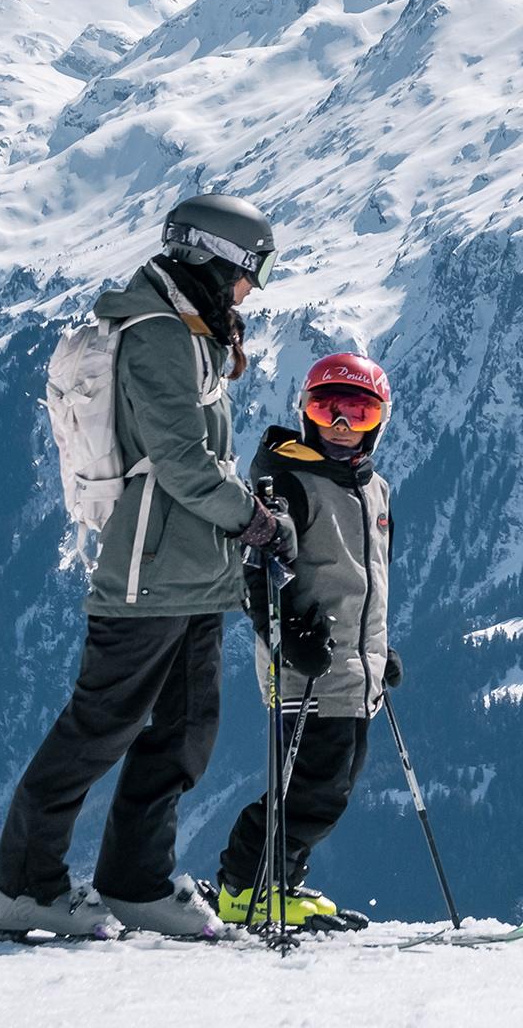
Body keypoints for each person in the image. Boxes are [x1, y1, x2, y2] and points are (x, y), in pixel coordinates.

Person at [0, 192, 292, 938]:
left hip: (192, 570)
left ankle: (134, 880)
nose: (252, 289)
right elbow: (182, 462)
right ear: (214, 261)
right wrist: (253, 518)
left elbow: (195, 459)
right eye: (250, 272)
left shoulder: (189, 330)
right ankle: (27, 883)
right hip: (148, 570)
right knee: (101, 724)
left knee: (185, 732)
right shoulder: (157, 334)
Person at [215, 351, 400, 931]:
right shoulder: (288, 482)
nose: (342, 425)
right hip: (306, 666)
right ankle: (245, 889)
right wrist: (290, 635)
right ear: (306, 413)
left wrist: (378, 651)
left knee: (332, 786)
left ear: (379, 420)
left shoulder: (375, 490)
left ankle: (280, 882)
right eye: (328, 409)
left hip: (352, 669)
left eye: (358, 412)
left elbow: (365, 580)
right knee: (312, 790)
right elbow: (255, 572)